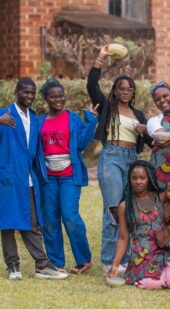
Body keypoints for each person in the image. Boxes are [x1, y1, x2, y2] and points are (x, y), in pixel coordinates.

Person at [87, 45, 152, 272]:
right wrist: (100, 59)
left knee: (128, 210)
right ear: (115, 91)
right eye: (121, 88)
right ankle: (108, 261)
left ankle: (124, 260)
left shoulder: (139, 115)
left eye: (129, 89)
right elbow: (91, 86)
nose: (125, 91)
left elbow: (153, 143)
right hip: (112, 157)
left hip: (132, 160)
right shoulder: (108, 106)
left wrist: (147, 131)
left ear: (133, 93)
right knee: (113, 208)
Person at [0, 78, 68, 280]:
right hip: (7, 178)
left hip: (28, 179)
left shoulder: (34, 118)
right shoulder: (4, 114)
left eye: (32, 93)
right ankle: (13, 267)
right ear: (16, 91)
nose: (28, 96)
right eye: (25, 92)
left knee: (32, 223)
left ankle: (42, 265)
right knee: (7, 223)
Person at [38, 77, 97, 274]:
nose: (58, 99)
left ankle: (84, 260)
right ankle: (56, 262)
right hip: (48, 178)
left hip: (69, 176)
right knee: (49, 219)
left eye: (61, 96)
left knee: (70, 215)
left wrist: (91, 120)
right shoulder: (39, 123)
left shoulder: (71, 118)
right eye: (53, 96)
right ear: (46, 98)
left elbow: (81, 144)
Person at [108, 161, 170, 289]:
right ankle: (157, 281)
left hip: (165, 251)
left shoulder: (161, 197)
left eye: (142, 178)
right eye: (134, 178)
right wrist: (115, 265)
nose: (138, 181)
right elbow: (123, 238)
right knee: (151, 276)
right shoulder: (125, 206)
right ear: (129, 180)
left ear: (149, 178)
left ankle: (159, 281)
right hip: (142, 255)